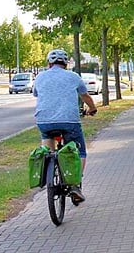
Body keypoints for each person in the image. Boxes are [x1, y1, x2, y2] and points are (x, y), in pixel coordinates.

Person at [33, 49, 97, 204]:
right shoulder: (73, 77)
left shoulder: (39, 77)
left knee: (48, 147)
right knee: (79, 152)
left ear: (49, 63)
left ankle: (49, 170)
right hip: (69, 121)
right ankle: (74, 186)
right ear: (66, 64)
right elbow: (85, 96)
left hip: (44, 121)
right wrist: (92, 108)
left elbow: (36, 94)